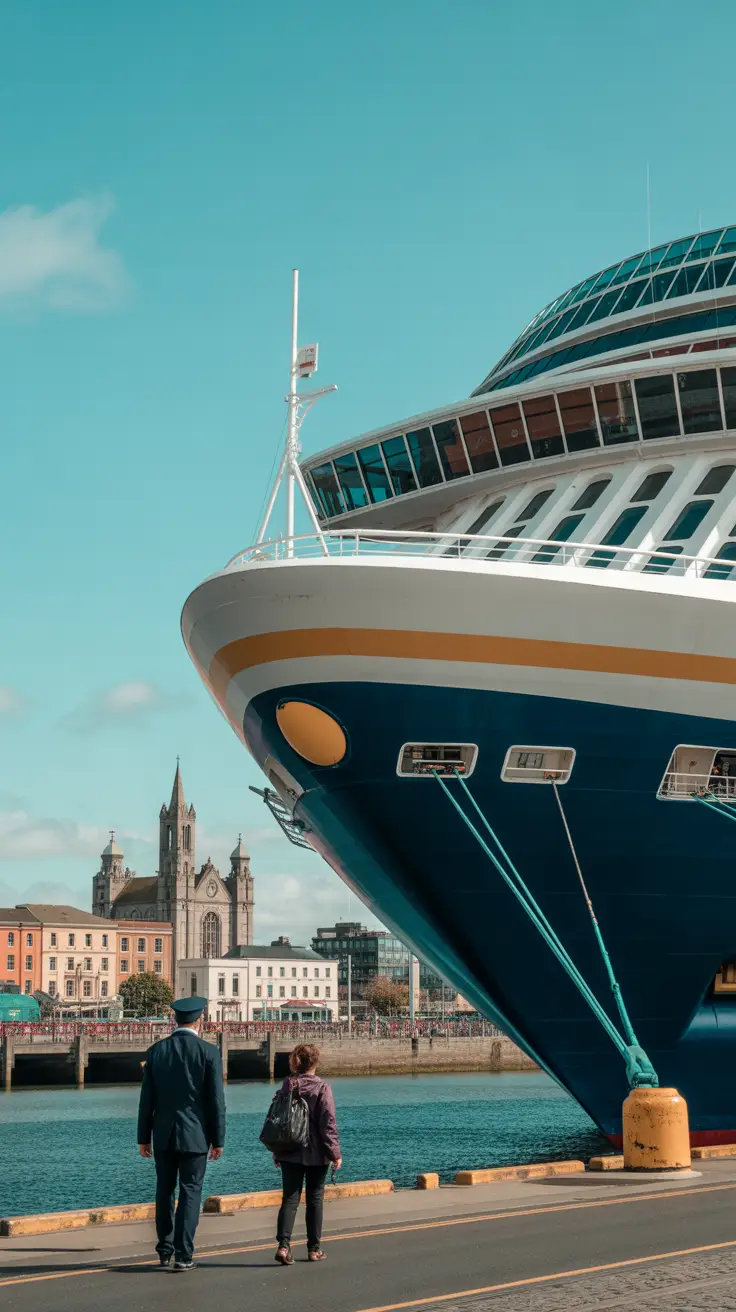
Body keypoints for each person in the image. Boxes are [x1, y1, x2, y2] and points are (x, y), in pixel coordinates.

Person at [137, 996, 226, 1272]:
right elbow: (216, 1101)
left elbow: (146, 1100)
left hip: (163, 1135)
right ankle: (183, 1254)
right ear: (200, 1020)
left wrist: (143, 1137)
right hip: (196, 1136)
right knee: (190, 1192)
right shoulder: (209, 1053)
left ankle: (164, 1250)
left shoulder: (156, 1052)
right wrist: (218, 1139)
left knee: (164, 1191)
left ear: (174, 1020)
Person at [274, 1043, 341, 1264]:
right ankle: (314, 1249)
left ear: (297, 1062)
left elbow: (278, 1120)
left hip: (290, 1149)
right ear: (316, 1062)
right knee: (315, 1200)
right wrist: (335, 1153)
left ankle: (283, 1247)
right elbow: (328, 1124)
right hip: (316, 1152)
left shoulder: (287, 1085)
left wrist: (277, 1150)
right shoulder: (322, 1088)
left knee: (289, 1200)